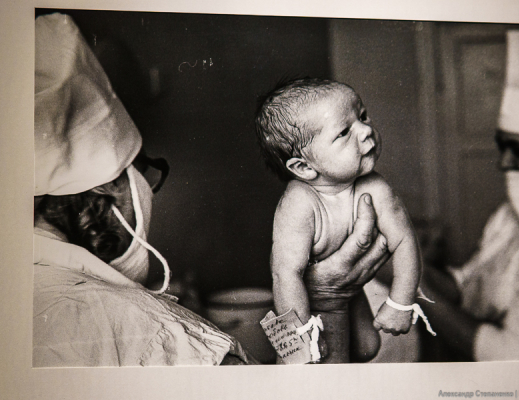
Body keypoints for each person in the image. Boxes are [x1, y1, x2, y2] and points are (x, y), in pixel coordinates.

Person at [33, 13, 390, 367]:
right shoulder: (155, 335)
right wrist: (329, 301)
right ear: (108, 189)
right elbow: (311, 383)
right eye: (145, 170)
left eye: (362, 117)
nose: (365, 132)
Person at [418, 29, 519, 361]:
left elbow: (513, 358)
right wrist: (412, 265)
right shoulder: (507, 218)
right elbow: (468, 287)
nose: (504, 163)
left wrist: (415, 290)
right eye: (503, 147)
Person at [255, 78, 434, 363]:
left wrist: (401, 303)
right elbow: (285, 275)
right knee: (308, 363)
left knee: (368, 347)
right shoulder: (299, 202)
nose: (366, 130)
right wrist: (300, 337)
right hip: (304, 298)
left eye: (362, 116)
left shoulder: (376, 186)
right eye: (343, 132)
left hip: (351, 289)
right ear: (304, 167)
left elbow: (404, 241)